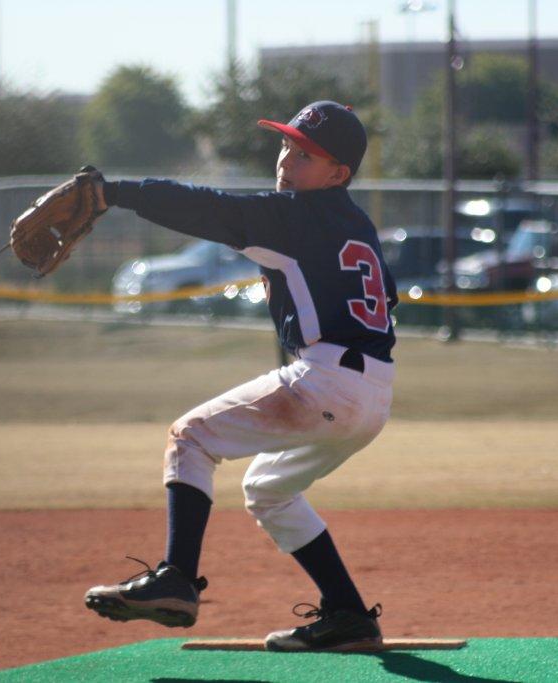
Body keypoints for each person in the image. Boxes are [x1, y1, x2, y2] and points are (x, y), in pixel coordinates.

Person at [84, 101, 398, 652]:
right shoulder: (355, 221)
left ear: (337, 174)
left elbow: (205, 208)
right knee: (268, 490)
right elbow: (384, 296)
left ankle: (177, 578)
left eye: (306, 155)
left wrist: (115, 192)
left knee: (191, 436)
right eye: (286, 146)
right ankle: (349, 615)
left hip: (326, 378)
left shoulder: (298, 215)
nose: (286, 160)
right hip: (372, 393)